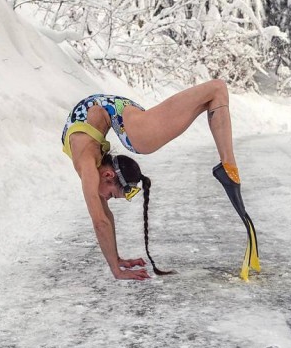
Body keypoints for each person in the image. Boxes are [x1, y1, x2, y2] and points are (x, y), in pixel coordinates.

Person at [61, 80, 255, 281]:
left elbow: (100, 221)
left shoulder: (87, 165)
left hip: (131, 127)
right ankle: (226, 165)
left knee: (216, 88)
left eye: (111, 195)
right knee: (210, 99)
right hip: (121, 115)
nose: (106, 198)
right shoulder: (95, 167)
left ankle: (228, 165)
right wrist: (116, 259)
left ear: (109, 175)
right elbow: (106, 216)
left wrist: (116, 272)